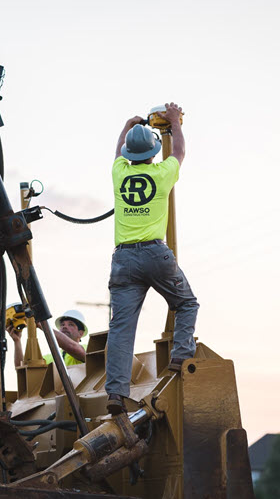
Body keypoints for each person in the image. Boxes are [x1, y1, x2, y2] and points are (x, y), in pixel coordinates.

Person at [105, 103, 200, 415]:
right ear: (152, 153)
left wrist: (126, 125)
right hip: (155, 254)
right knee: (186, 302)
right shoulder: (161, 173)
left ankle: (116, 394)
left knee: (121, 329)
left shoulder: (119, 173)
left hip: (123, 259)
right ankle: (180, 354)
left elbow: (118, 152)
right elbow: (180, 153)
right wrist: (175, 123)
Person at [7, 309, 88, 368]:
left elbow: (71, 347)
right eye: (62, 324)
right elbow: (23, 368)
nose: (65, 327)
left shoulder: (87, 349)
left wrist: (41, 324)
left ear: (81, 333)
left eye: (71, 324)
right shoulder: (52, 357)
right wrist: (17, 341)